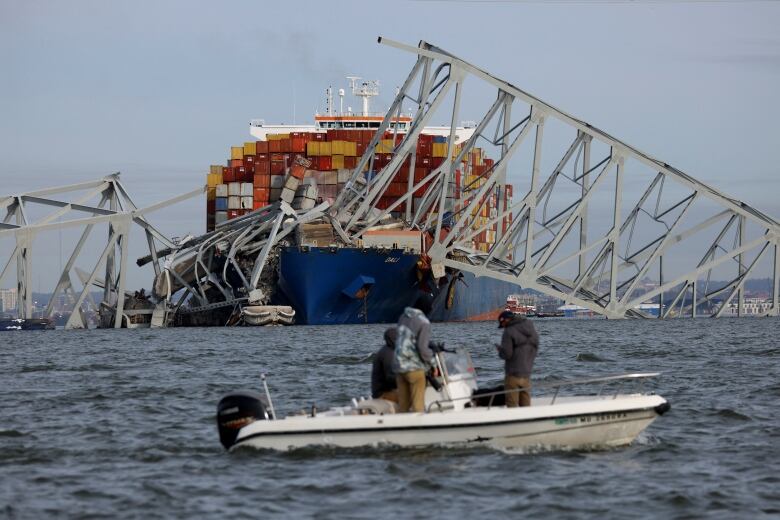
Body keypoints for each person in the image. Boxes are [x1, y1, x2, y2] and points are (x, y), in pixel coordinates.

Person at [394, 294, 435, 413]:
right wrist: (433, 363)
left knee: (403, 407)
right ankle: (419, 429)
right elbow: (422, 348)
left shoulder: (403, 317)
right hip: (413, 368)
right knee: (418, 407)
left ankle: (402, 430)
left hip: (398, 366)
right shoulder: (424, 322)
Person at [496, 310, 539, 407]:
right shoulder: (531, 327)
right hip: (526, 374)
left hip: (513, 375)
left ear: (506, 320)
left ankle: (515, 422)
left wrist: (500, 351)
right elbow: (535, 348)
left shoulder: (509, 331)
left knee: (512, 406)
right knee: (526, 406)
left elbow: (507, 354)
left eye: (502, 324)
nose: (503, 327)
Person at [371, 327, 399, 402]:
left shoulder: (387, 351)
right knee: (409, 394)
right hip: (383, 394)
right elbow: (390, 377)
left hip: (382, 392)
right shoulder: (388, 354)